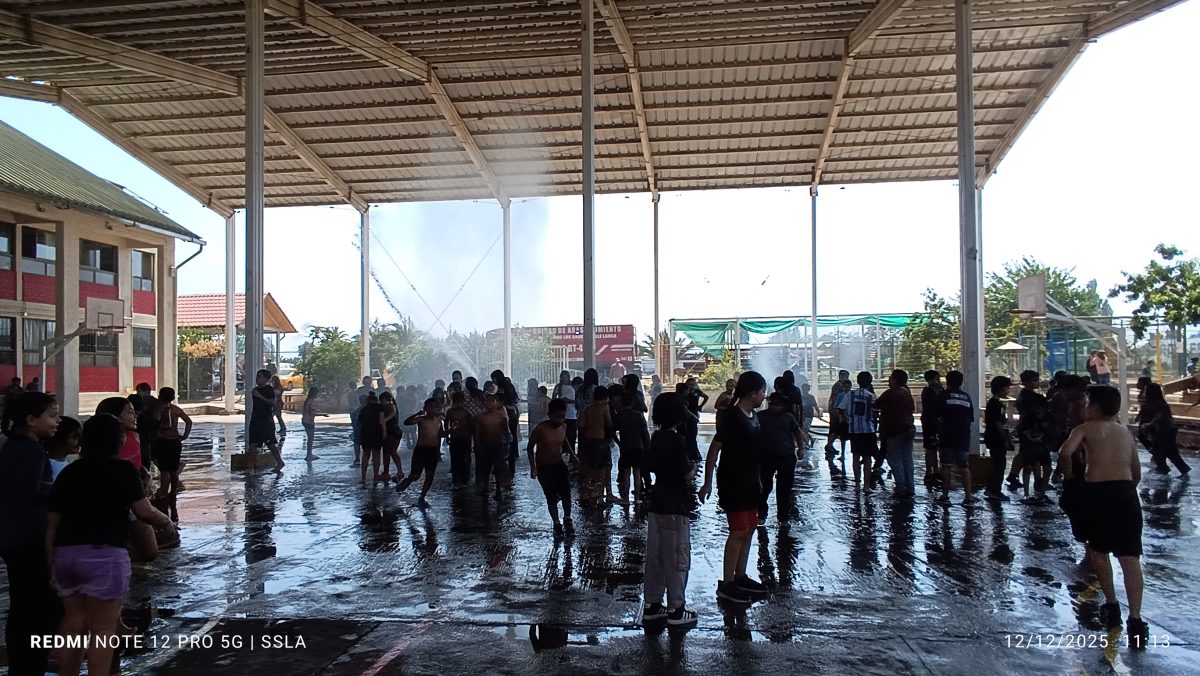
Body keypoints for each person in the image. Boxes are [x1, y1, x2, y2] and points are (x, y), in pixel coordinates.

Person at [47, 414, 176, 676]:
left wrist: (50, 562)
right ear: (117, 440)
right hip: (104, 556)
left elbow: (52, 523)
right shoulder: (122, 470)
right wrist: (166, 523)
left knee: (73, 624)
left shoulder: (71, 471)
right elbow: (143, 511)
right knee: (103, 630)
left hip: (66, 557)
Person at [1059, 385, 1149, 648]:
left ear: (1096, 407)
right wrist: (1125, 488)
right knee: (1130, 558)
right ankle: (1136, 618)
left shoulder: (1084, 429)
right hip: (1125, 494)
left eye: (1087, 403)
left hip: (1097, 493)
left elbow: (1066, 453)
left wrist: (1070, 477)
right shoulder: (1125, 432)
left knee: (1099, 552)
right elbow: (1136, 471)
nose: (1084, 407)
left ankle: (1111, 605)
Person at [0, 391, 62, 675]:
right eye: (51, 415)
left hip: (14, 537)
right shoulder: (30, 450)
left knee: (24, 604)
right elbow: (30, 492)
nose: (57, 421)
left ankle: (25, 661)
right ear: (30, 419)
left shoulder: (16, 446)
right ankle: (30, 662)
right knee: (34, 607)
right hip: (27, 536)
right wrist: (65, 492)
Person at [699, 371, 769, 606]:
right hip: (733, 481)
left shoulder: (752, 415)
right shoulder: (733, 417)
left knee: (749, 529)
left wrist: (759, 478)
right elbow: (714, 449)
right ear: (752, 392)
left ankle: (740, 576)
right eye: (762, 391)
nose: (764, 396)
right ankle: (727, 583)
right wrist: (707, 482)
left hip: (750, 481)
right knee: (738, 531)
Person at [641, 392, 698, 629]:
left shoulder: (657, 437)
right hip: (676, 505)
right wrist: (694, 468)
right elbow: (686, 475)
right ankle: (677, 608)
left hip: (657, 503)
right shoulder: (676, 440)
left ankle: (653, 604)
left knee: (656, 557)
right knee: (676, 557)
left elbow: (652, 465)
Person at [527, 399, 577, 537]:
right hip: (544, 467)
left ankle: (567, 519)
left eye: (562, 417)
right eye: (557, 417)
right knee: (551, 497)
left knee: (566, 493)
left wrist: (573, 456)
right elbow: (530, 447)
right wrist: (533, 467)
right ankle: (556, 523)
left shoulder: (563, 426)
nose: (560, 420)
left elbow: (565, 441)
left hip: (559, 464)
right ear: (549, 415)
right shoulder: (541, 429)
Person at [756, 392, 804, 524]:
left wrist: (801, 448)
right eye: (772, 404)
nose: (773, 407)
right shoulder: (760, 416)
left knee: (784, 488)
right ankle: (761, 514)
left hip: (786, 456)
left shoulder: (788, 417)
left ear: (783, 406)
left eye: (777, 405)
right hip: (766, 456)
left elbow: (798, 432)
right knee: (764, 487)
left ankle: (783, 517)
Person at [936, 370, 976, 506]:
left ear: (947, 381)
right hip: (963, 436)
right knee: (964, 466)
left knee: (946, 466)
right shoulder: (966, 397)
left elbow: (938, 416)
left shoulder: (943, 395)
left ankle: (945, 495)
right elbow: (971, 418)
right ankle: (968, 496)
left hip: (947, 435)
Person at [153, 387, 192, 523]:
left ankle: (163, 493)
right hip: (175, 441)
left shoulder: (159, 409)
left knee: (164, 470)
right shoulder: (176, 409)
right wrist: (185, 435)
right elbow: (188, 421)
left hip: (163, 441)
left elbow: (156, 423)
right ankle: (172, 492)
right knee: (174, 470)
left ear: (160, 396)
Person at [876, 369, 916, 498]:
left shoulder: (891, 393)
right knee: (907, 459)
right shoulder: (907, 393)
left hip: (895, 431)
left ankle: (900, 487)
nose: (889, 380)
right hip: (909, 428)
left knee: (894, 459)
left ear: (895, 380)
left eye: (891, 378)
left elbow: (876, 404)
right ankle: (910, 487)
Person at [398, 398, 445, 508]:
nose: (433, 410)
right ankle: (408, 481)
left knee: (430, 475)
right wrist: (417, 413)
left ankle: (422, 497)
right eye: (430, 407)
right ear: (425, 409)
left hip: (432, 450)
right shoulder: (421, 419)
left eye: (435, 408)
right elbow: (406, 422)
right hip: (421, 450)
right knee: (415, 475)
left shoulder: (438, 420)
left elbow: (441, 434)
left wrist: (451, 431)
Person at [1139, 383, 1190, 475]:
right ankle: (1177, 472)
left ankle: (1164, 475)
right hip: (1167, 431)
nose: (1144, 392)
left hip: (1163, 432)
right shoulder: (1160, 403)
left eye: (1146, 390)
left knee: (1162, 455)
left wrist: (1149, 425)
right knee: (1170, 455)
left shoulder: (1155, 404)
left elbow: (1160, 416)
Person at [839, 371, 878, 491]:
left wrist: (847, 418)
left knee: (855, 456)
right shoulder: (871, 396)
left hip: (854, 430)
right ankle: (866, 486)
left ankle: (856, 484)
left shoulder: (849, 395)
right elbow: (875, 412)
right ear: (870, 382)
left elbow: (841, 408)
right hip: (868, 430)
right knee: (867, 458)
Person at [579, 385, 618, 505]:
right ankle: (601, 495)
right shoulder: (605, 407)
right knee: (604, 468)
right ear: (606, 396)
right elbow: (609, 424)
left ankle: (586, 492)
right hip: (600, 441)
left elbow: (581, 425)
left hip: (588, 441)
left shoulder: (587, 408)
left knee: (590, 468)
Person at [1006, 370, 1041, 489]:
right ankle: (1035, 481)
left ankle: (1014, 475)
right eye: (1034, 380)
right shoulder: (1030, 397)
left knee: (1025, 453)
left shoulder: (1023, 394)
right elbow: (1028, 414)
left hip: (1026, 427)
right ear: (1026, 382)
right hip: (1030, 429)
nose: (1037, 382)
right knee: (1029, 454)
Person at [615, 390, 651, 505]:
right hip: (638, 447)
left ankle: (625, 499)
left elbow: (611, 429)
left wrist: (618, 442)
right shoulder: (638, 415)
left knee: (626, 474)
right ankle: (636, 499)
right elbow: (645, 433)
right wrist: (648, 447)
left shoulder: (619, 416)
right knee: (637, 473)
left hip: (625, 448)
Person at [1015, 393, 1051, 502]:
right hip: (1030, 446)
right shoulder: (1029, 417)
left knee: (1046, 468)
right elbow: (1022, 430)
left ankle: (1041, 493)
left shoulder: (1048, 416)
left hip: (1041, 445)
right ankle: (1027, 493)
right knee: (1029, 467)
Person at [983, 376, 1014, 503]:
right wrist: (1005, 439)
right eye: (1007, 388)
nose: (1008, 390)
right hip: (996, 438)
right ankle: (994, 490)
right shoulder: (996, 405)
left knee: (997, 464)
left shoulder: (995, 403)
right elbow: (997, 424)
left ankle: (992, 488)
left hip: (993, 437)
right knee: (999, 465)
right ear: (1001, 389)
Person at [475, 392, 511, 500]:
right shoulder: (481, 417)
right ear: (484, 403)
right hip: (485, 444)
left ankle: (498, 489)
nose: (490, 403)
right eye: (487, 401)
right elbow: (477, 433)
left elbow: (506, 432)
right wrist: (477, 445)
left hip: (498, 444)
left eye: (492, 401)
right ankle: (485, 487)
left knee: (498, 467)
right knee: (485, 467)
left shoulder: (501, 417)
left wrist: (507, 444)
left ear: (496, 403)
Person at [250, 369, 285, 472]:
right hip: (255, 420)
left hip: (265, 421)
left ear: (266, 379)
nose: (257, 379)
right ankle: (251, 467)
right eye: (257, 376)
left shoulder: (269, 390)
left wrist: (259, 396)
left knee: (270, 444)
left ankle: (279, 461)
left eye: (260, 377)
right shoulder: (255, 390)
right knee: (252, 445)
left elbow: (272, 402)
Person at [920, 370, 945, 488]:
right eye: (936, 379)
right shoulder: (928, 392)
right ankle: (929, 472)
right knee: (931, 448)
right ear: (929, 381)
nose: (938, 381)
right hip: (931, 423)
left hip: (935, 423)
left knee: (935, 447)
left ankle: (936, 471)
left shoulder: (937, 391)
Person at [444, 391, 474, 485]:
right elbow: (446, 423)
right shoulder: (450, 412)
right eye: (457, 402)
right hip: (455, 437)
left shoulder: (466, 412)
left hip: (465, 438)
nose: (458, 404)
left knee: (465, 459)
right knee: (455, 459)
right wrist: (447, 436)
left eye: (460, 401)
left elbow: (470, 426)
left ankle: (464, 479)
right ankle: (456, 480)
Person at [357, 391, 385, 485]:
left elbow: (360, 423)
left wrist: (360, 434)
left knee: (365, 455)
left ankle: (363, 478)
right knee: (376, 455)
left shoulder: (364, 409)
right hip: (377, 432)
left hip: (366, 433)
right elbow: (382, 421)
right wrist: (384, 431)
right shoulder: (379, 408)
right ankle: (375, 477)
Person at [824, 370, 853, 462]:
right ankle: (829, 445)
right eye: (846, 376)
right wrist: (835, 410)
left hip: (837, 410)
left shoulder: (839, 386)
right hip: (837, 411)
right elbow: (835, 399)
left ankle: (830, 445)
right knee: (835, 429)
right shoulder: (838, 387)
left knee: (835, 430)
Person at [378, 391, 406, 483]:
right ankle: (387, 472)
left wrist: (384, 420)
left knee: (391, 452)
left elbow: (391, 414)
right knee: (387, 452)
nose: (381, 402)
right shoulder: (390, 406)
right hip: (393, 431)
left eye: (382, 400)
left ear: (387, 400)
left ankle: (399, 472)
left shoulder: (391, 407)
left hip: (393, 432)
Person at [131, 382, 159, 468]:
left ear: (145, 391)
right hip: (152, 432)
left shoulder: (143, 401)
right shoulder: (156, 402)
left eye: (139, 391)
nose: (138, 393)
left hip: (146, 432)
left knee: (151, 456)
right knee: (153, 456)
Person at [47, 416, 82, 482]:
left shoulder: (64, 463)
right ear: (59, 439)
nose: (79, 441)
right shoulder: (51, 467)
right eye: (74, 437)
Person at [552, 370, 578, 451]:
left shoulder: (573, 386)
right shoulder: (558, 387)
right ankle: (563, 449)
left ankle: (570, 451)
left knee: (571, 434)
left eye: (566, 377)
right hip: (562, 412)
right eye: (563, 377)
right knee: (562, 433)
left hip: (572, 413)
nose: (564, 379)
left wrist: (568, 400)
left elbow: (577, 400)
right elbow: (553, 398)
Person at [301, 387, 328, 462]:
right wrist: (322, 414)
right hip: (309, 421)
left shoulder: (307, 401)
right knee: (310, 439)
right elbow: (312, 413)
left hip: (305, 420)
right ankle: (309, 454)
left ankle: (309, 454)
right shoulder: (312, 401)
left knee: (310, 438)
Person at [799, 382, 820, 451]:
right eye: (803, 389)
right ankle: (811, 439)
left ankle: (806, 443)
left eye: (805, 389)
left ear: (808, 390)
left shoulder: (811, 397)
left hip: (808, 415)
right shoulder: (800, 397)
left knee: (805, 429)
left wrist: (818, 414)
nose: (804, 390)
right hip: (802, 415)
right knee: (803, 429)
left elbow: (815, 406)